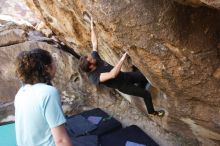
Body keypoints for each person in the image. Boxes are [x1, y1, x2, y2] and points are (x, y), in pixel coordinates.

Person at [79, 16, 165, 117]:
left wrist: (92, 26)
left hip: (125, 76)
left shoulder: (94, 59)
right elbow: (112, 74)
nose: (92, 57)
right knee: (146, 94)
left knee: (144, 76)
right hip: (123, 86)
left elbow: (94, 43)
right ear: (90, 67)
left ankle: (139, 86)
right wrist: (122, 58)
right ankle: (152, 112)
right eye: (91, 59)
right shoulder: (94, 77)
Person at [14, 48, 72, 146]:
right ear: (47, 68)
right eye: (53, 62)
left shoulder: (21, 92)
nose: (56, 65)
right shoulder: (48, 93)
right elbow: (61, 140)